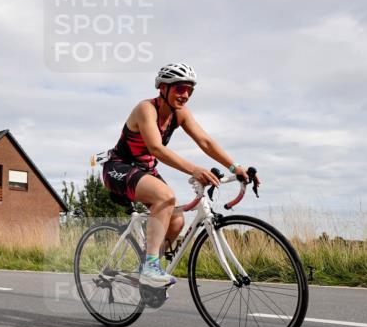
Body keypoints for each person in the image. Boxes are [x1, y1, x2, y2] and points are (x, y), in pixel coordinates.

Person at [101, 63, 259, 287]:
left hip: (145, 170)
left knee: (176, 220)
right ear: (163, 88)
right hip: (119, 166)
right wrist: (194, 169)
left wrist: (235, 167)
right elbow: (156, 148)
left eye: (190, 90)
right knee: (165, 196)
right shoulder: (146, 109)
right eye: (180, 89)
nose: (185, 95)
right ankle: (150, 268)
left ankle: (146, 272)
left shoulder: (180, 114)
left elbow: (205, 141)